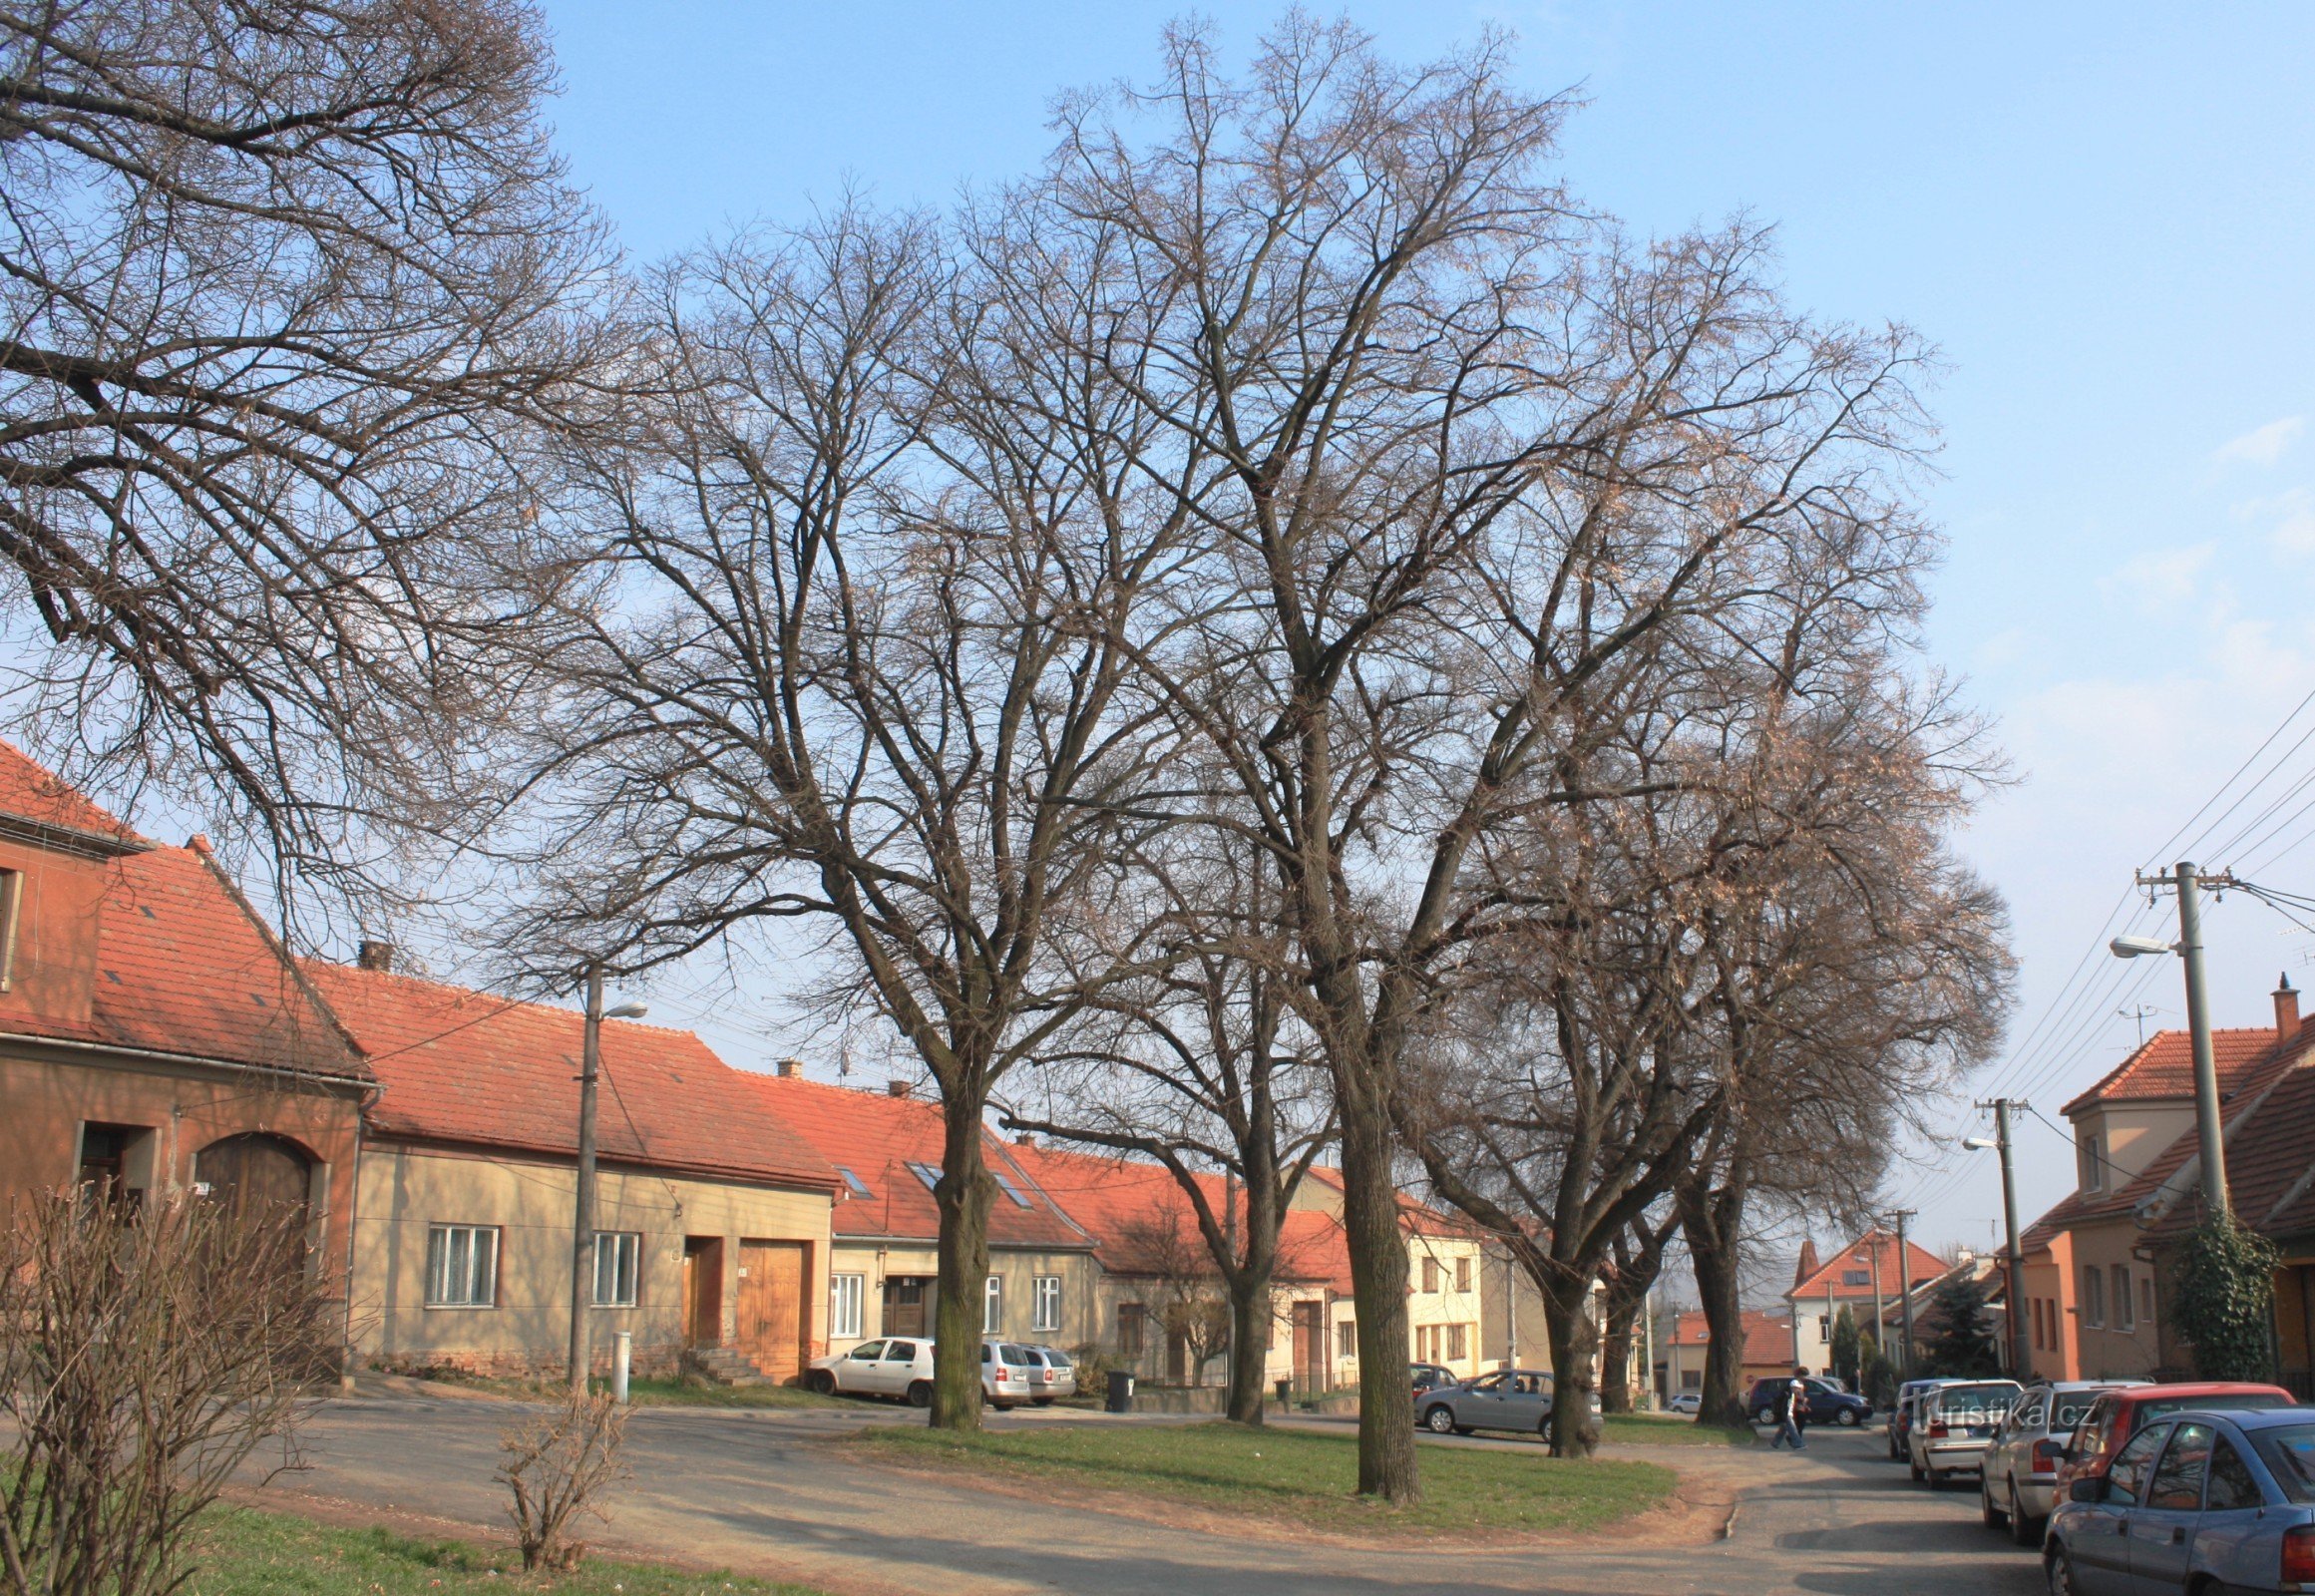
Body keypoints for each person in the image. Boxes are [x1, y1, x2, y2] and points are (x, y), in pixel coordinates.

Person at [1767, 1366, 1809, 1451]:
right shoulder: (1794, 1383)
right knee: (1792, 1428)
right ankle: (1798, 1444)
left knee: (1784, 1427)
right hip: (1786, 1411)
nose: (1805, 1378)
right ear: (1799, 1375)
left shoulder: (1793, 1386)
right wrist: (1803, 1399)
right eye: (1804, 1375)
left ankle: (1775, 1443)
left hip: (1787, 1410)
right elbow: (1798, 1395)